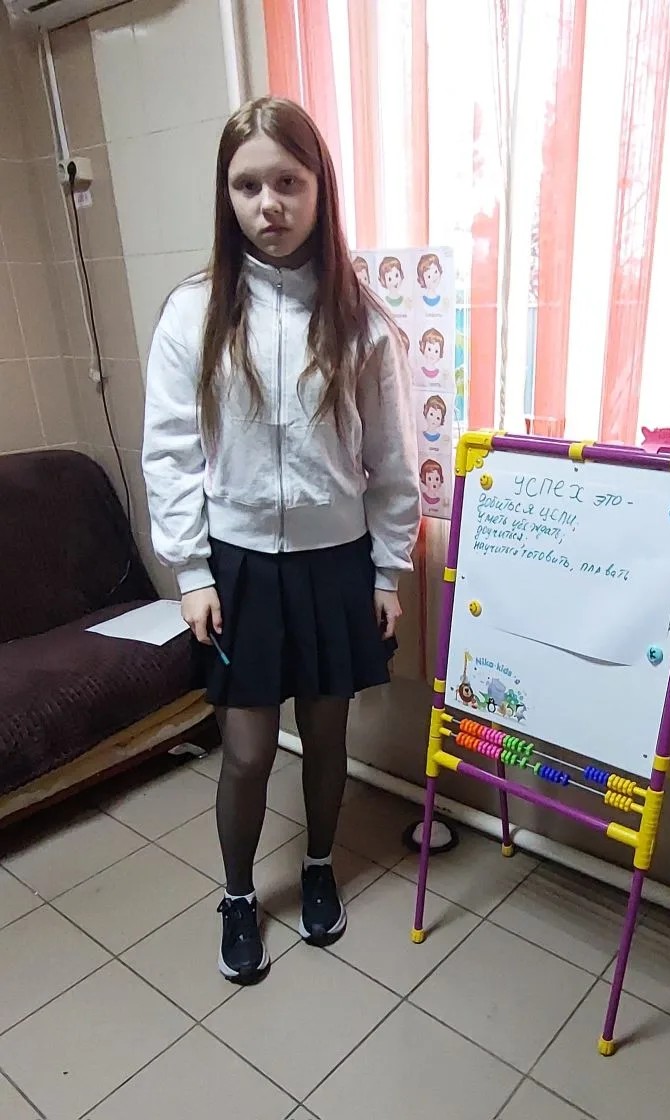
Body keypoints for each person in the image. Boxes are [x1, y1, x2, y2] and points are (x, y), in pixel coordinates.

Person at [142, 97, 420, 985]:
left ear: (319, 189)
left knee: (328, 737)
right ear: (226, 195)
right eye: (248, 185)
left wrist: (387, 570)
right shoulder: (193, 313)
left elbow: (392, 460)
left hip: (338, 563)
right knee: (250, 751)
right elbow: (171, 450)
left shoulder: (361, 320)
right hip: (238, 569)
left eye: (288, 182)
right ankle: (236, 897)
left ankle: (319, 866)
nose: (269, 203)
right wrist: (191, 569)